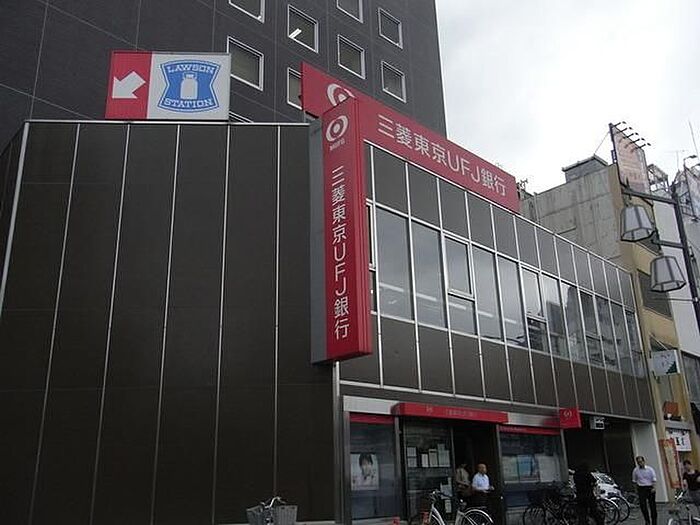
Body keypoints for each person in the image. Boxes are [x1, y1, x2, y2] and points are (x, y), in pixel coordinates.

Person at [632, 455, 657, 525]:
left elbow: (654, 479)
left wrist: (654, 488)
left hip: (650, 487)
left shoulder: (650, 469)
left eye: (641, 462)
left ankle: (654, 522)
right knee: (643, 505)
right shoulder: (635, 470)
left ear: (644, 461)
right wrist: (636, 491)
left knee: (652, 505)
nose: (640, 463)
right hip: (641, 488)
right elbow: (634, 481)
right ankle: (647, 521)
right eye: (638, 462)